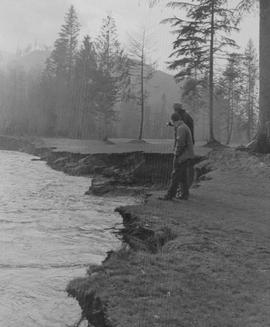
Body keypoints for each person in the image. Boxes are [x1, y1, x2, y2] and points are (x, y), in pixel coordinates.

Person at [161, 112, 194, 200]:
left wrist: (177, 155)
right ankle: (184, 195)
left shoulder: (181, 129)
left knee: (175, 175)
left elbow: (181, 144)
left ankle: (169, 195)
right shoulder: (183, 125)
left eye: (172, 121)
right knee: (182, 176)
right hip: (187, 155)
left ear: (174, 120)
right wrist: (170, 124)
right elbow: (175, 125)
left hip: (182, 156)